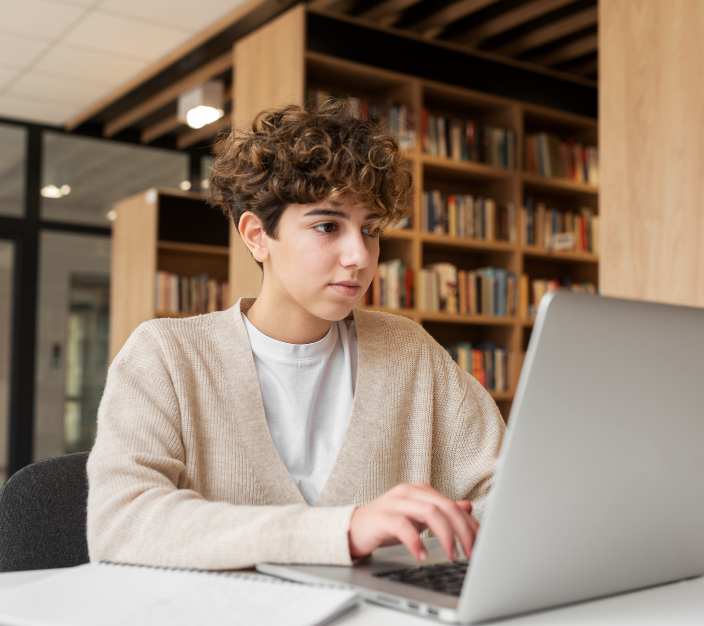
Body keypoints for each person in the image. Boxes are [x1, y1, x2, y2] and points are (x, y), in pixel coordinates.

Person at [86, 100, 504, 570]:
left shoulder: (409, 350)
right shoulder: (167, 355)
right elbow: (120, 524)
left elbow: (507, 493)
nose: (360, 257)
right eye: (328, 226)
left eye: (370, 229)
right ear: (256, 236)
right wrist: (341, 531)